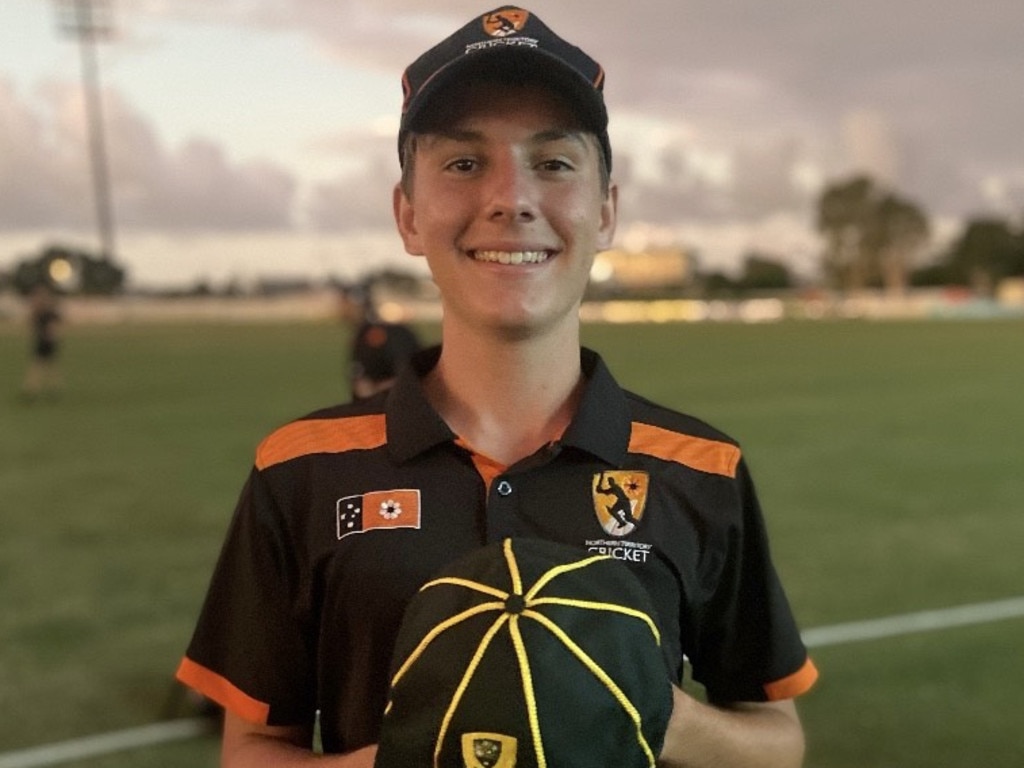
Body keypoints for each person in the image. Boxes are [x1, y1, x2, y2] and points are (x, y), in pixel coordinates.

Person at [176, 7, 818, 767]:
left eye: (553, 164)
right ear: (408, 215)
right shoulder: (299, 469)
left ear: (606, 210)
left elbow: (777, 741)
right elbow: (253, 749)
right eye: (463, 163)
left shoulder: (700, 468)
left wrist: (646, 703)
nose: (511, 199)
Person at [337, 281, 422, 400]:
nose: (342, 309)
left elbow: (409, 372)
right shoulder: (362, 333)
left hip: (389, 408)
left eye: (346, 304)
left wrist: (376, 391)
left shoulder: (381, 334)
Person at [21, 283, 62, 401]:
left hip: (45, 342)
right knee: (48, 367)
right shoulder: (41, 312)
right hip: (44, 341)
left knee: (39, 367)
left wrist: (50, 336)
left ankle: (31, 391)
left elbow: (53, 327)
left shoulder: (46, 312)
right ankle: (52, 390)